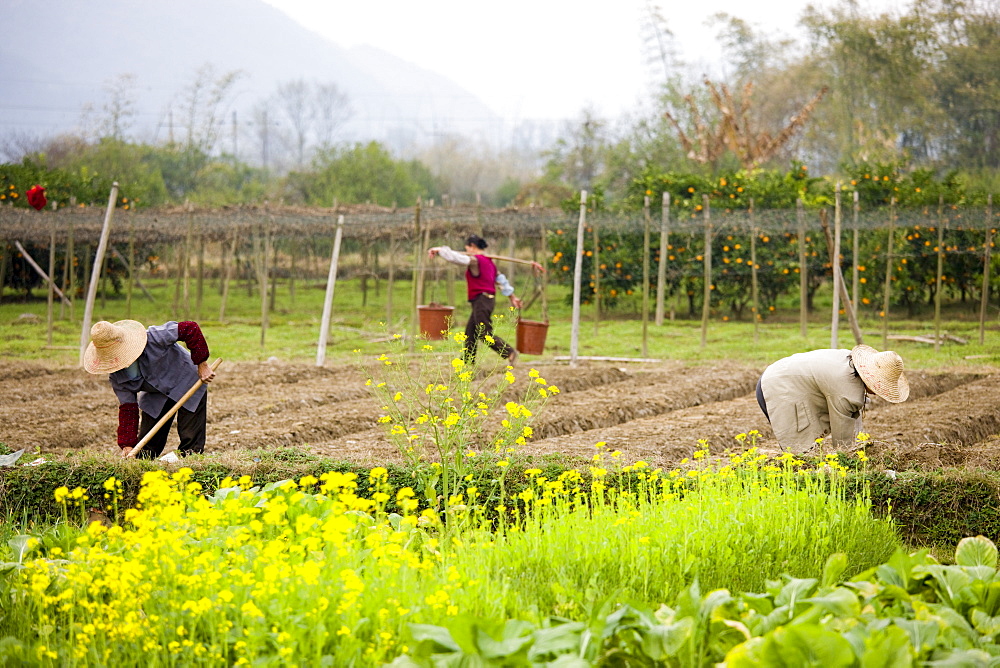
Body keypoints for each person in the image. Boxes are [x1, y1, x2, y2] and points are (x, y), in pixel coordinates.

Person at [83, 319, 216, 459]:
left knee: (190, 439)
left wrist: (202, 364)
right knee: (146, 449)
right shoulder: (117, 377)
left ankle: (189, 466)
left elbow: (190, 328)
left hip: (186, 380)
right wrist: (127, 444)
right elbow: (128, 409)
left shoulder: (154, 337)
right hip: (155, 394)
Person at [756, 344, 909, 452]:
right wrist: (849, 461)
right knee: (799, 453)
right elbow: (842, 439)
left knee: (809, 449)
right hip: (777, 387)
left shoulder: (850, 362)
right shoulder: (846, 392)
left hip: (781, 374)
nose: (878, 392)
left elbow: (854, 417)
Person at [428, 234, 541, 365]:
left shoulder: (476, 260)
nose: (468, 251)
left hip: (482, 300)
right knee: (470, 332)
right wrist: (512, 297)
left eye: (468, 248)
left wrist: (440, 250)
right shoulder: (490, 263)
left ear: (472, 246)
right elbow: (502, 281)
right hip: (483, 301)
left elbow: (457, 258)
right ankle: (467, 362)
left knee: (483, 333)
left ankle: (509, 352)